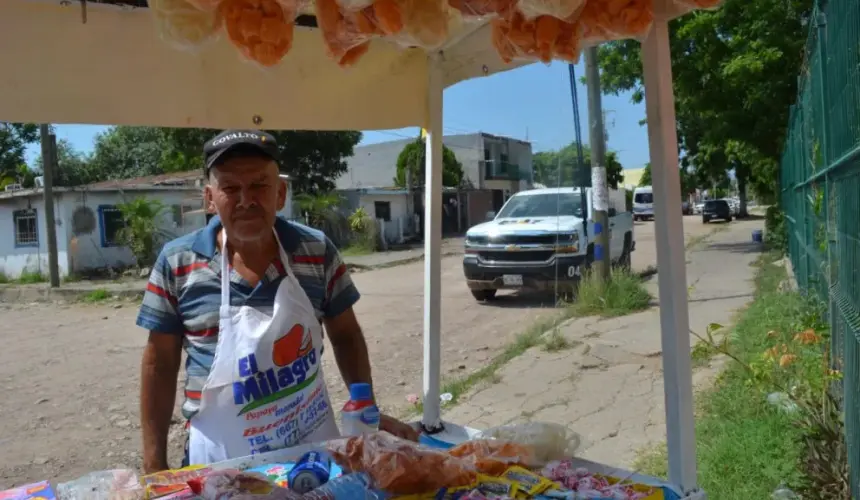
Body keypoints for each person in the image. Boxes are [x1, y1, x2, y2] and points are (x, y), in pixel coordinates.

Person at [137, 129, 418, 473]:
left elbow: (346, 334)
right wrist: (154, 466)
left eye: (259, 185)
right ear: (210, 198)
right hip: (219, 464)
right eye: (230, 188)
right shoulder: (177, 262)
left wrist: (366, 409)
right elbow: (159, 364)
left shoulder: (316, 251)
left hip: (310, 455)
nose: (246, 200)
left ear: (280, 193)